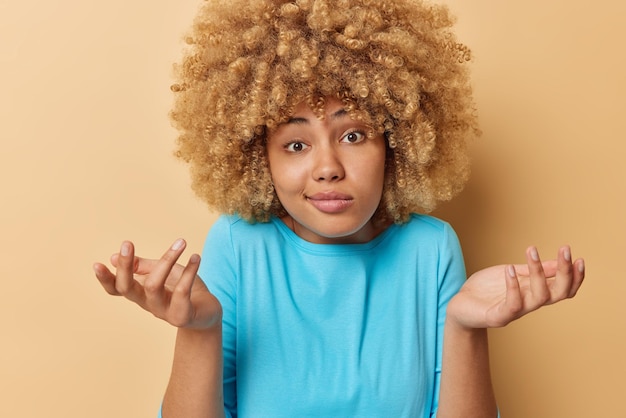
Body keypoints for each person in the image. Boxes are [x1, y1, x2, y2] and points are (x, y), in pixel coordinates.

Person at [93, 0, 586, 417]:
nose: (327, 168)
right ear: (255, 154)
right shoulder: (239, 243)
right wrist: (199, 330)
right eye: (295, 144)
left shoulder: (431, 248)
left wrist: (465, 326)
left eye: (353, 135)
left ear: (395, 142)